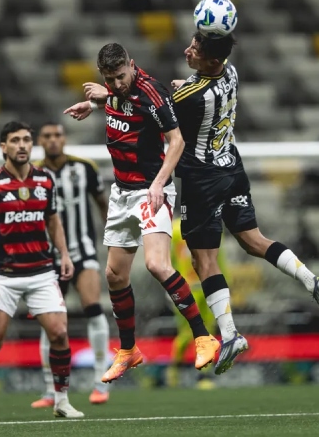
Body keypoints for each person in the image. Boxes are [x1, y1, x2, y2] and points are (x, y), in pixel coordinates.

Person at [82, 33, 319, 375]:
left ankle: (228, 334)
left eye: (195, 49)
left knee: (204, 259)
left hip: (201, 177)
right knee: (253, 240)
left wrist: (104, 97)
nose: (187, 50)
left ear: (210, 60)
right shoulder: (228, 74)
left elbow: (153, 102)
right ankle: (312, 280)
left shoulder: (186, 94)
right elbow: (159, 92)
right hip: (230, 164)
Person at [64, 43, 220, 383]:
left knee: (157, 264)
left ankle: (203, 336)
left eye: (121, 77)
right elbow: (122, 100)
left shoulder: (152, 92)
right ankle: (128, 351)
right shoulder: (114, 89)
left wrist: (159, 183)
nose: (117, 84)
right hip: (122, 192)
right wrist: (94, 103)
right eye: (109, 79)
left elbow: (176, 141)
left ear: (132, 66)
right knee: (115, 275)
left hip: (152, 189)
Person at [0, 121, 84, 421]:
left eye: (27, 140)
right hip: (4, 273)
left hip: (42, 270)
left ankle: (61, 400)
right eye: (15, 140)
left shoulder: (45, 180)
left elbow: (53, 220)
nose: (22, 145)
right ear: (3, 146)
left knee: (59, 332)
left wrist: (64, 254)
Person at [29, 121, 111, 407]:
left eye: (58, 135)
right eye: (47, 136)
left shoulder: (85, 168)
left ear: (64, 139)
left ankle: (101, 381)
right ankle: (51, 390)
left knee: (94, 309)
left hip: (83, 250)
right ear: (40, 140)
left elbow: (102, 202)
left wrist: (109, 235)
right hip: (48, 257)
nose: (53, 140)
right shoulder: (34, 173)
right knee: (49, 321)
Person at [167, 216, 221, 389]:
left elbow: (220, 259)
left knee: (209, 332)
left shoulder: (213, 224)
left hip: (208, 285)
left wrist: (223, 284)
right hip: (186, 288)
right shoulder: (175, 230)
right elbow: (170, 261)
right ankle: (175, 370)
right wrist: (170, 286)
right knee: (186, 334)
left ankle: (204, 375)